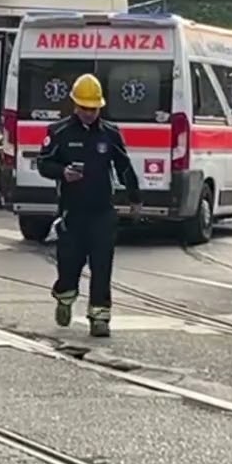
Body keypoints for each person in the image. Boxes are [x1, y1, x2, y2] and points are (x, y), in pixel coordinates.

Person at [36, 73, 142, 338]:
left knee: (102, 265)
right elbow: (43, 164)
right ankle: (64, 296)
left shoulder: (110, 133)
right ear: (75, 105)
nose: (89, 114)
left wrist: (135, 198)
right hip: (73, 212)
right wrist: (62, 172)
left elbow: (124, 167)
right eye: (84, 108)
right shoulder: (58, 132)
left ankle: (100, 316)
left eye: (93, 109)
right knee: (69, 266)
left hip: (102, 211)